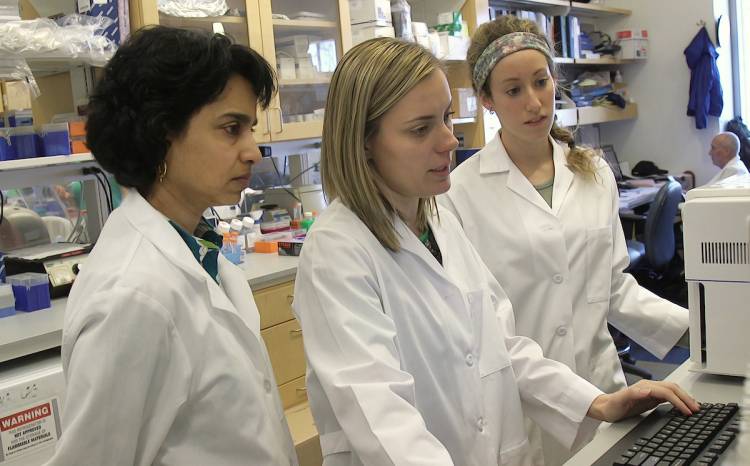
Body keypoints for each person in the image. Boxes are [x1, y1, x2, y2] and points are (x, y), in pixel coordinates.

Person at [292, 37, 698, 466]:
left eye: (446, 118)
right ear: (363, 142)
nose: (449, 140)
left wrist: (596, 403)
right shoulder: (337, 252)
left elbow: (502, 345)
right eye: (420, 128)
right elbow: (381, 420)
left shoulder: (438, 222)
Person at [438, 16, 690, 464]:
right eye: (513, 90)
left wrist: (704, 328)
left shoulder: (591, 172)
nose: (535, 102)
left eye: (541, 81)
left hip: (607, 390)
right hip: (525, 409)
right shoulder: (459, 194)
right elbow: (487, 334)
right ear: (486, 99)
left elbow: (612, 289)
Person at [45, 26, 297, 465]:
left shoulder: (199, 251)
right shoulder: (133, 297)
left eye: (250, 128)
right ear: (161, 133)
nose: (254, 151)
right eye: (231, 128)